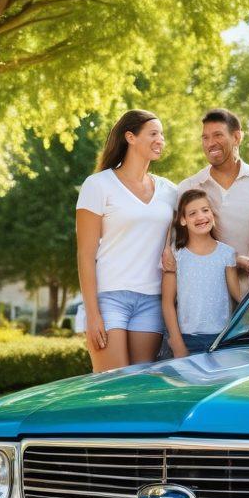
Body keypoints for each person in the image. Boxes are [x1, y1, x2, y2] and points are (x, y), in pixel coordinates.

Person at [75, 110, 177, 373]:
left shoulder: (170, 191)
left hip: (152, 300)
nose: (160, 140)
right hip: (109, 298)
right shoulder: (98, 185)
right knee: (111, 389)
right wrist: (92, 314)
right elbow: (85, 255)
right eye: (153, 134)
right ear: (130, 137)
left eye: (162, 135)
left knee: (139, 390)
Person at [166, 108, 249, 266]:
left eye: (218, 135)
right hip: (210, 287)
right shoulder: (189, 188)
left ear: (236, 137)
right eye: (205, 138)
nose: (210, 143)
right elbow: (175, 247)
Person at [161, 189, 240, 357]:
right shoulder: (176, 255)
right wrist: (177, 343)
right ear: (183, 220)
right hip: (188, 339)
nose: (201, 217)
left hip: (221, 340)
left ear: (212, 214)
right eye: (192, 213)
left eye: (205, 210)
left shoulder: (227, 253)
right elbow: (167, 302)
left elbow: (239, 296)